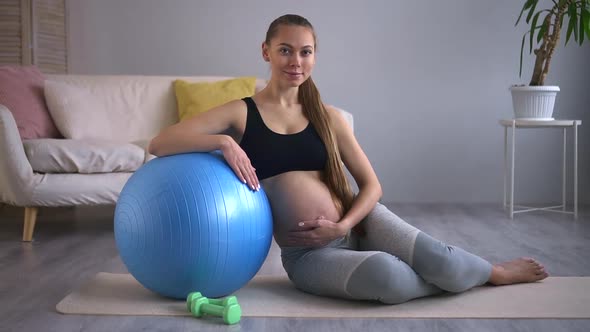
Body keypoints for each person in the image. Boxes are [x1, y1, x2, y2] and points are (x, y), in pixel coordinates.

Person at [148, 14, 548, 304]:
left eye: (305, 52)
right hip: (308, 254)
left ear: (315, 56)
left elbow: (373, 186)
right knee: (390, 280)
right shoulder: (240, 113)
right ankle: (456, 276)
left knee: (437, 260)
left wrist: (341, 224)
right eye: (285, 50)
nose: (295, 61)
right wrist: (223, 142)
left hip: (361, 223)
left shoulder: (329, 117)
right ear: (266, 51)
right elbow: (160, 142)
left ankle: (489, 273)